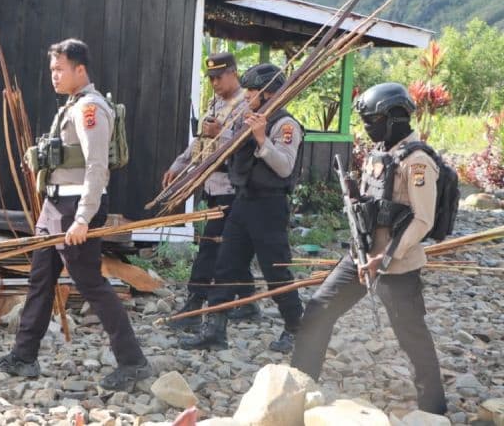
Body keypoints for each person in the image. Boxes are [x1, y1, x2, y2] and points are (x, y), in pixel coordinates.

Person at [0, 39, 151, 391]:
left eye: (60, 69)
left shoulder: (91, 108)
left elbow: (96, 166)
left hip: (76, 208)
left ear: (80, 69)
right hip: (54, 207)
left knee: (90, 283)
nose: (54, 76)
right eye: (52, 70)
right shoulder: (71, 106)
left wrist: (82, 218)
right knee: (40, 279)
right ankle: (24, 356)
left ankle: (133, 361)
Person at [291, 82, 447, 415]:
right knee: (318, 311)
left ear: (395, 118)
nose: (367, 127)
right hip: (360, 258)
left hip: (397, 265)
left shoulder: (417, 161)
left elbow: (423, 220)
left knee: (412, 339)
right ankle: (299, 390)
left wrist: (385, 257)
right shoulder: (381, 153)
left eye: (372, 120)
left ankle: (434, 411)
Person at [180, 63, 303, 353]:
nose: (246, 96)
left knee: (276, 271)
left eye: (252, 91)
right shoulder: (245, 119)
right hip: (243, 201)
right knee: (226, 264)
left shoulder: (285, 125)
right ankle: (215, 330)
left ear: (269, 93)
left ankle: (297, 329)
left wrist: (261, 138)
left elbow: (284, 167)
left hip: (270, 207)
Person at [162, 52, 246, 330]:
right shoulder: (215, 102)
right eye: (211, 78)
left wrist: (221, 132)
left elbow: (246, 145)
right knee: (231, 246)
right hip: (213, 186)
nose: (214, 83)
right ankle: (248, 302)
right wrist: (179, 164)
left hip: (233, 187)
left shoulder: (248, 103)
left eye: (219, 77)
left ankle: (194, 305)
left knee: (210, 246)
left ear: (233, 73)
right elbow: (200, 141)